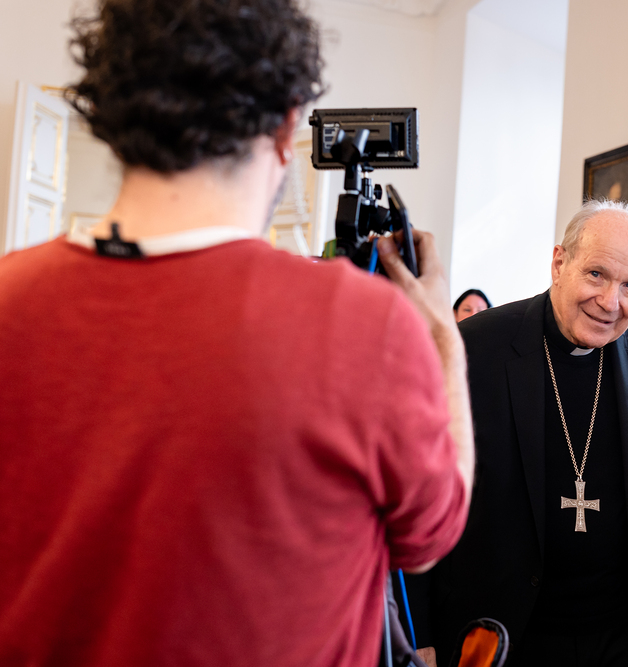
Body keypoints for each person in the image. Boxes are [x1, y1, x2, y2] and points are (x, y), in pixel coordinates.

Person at [0, 1, 474, 666]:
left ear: (112, 115)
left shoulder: (11, 298)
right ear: (285, 127)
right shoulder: (361, 324)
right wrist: (444, 341)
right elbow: (430, 533)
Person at [418, 199, 628, 667]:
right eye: (596, 274)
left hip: (616, 629)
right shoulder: (478, 346)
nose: (610, 302)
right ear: (559, 263)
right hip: (506, 628)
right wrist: (421, 633)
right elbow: (425, 491)